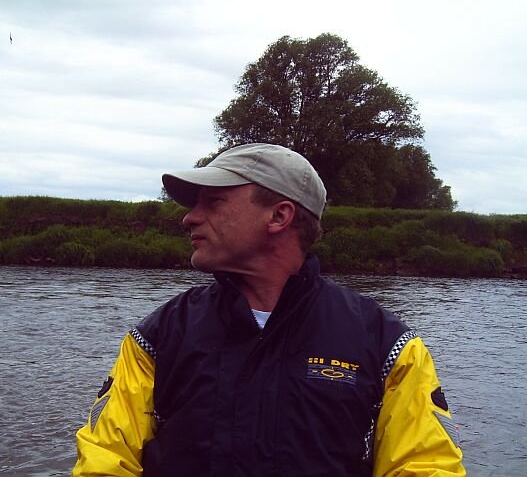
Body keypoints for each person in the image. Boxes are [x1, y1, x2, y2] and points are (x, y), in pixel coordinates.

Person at [72, 143, 466, 476]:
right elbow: (105, 460)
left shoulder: (386, 344)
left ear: (279, 215)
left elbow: (424, 466)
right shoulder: (157, 336)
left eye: (213, 201)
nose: (189, 217)